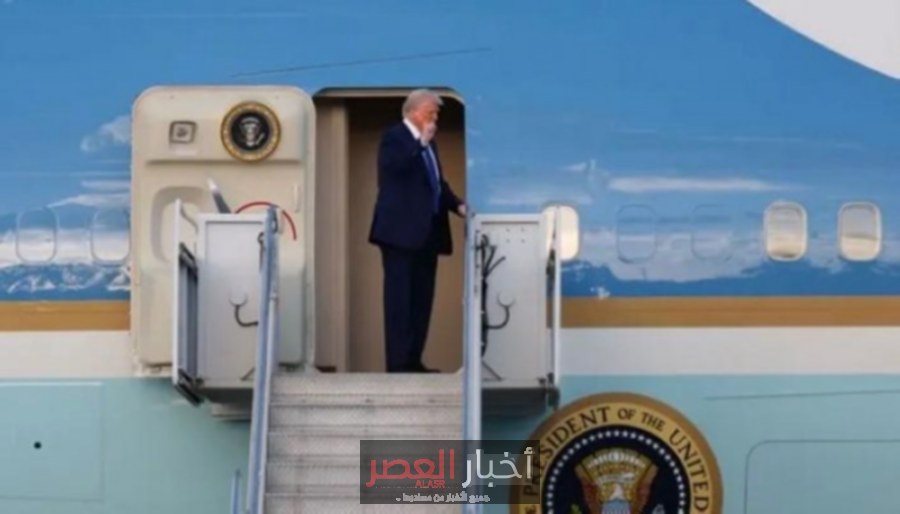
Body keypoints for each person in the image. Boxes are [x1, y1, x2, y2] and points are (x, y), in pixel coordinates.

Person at [368, 89, 467, 373]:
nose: (435, 117)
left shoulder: (429, 144)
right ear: (412, 111)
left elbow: (437, 184)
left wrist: (458, 205)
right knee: (400, 300)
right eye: (430, 112)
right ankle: (398, 364)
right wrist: (420, 144)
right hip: (399, 234)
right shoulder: (394, 137)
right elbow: (394, 169)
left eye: (436, 113)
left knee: (422, 300)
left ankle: (413, 360)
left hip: (428, 234)